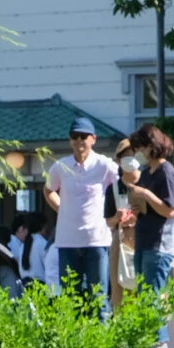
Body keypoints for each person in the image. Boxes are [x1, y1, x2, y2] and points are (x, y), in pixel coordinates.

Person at [43, 118, 119, 319]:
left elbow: (123, 183)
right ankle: (74, 339)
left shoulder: (103, 164)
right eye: (74, 136)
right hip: (68, 241)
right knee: (70, 300)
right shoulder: (61, 166)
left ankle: (101, 338)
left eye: (83, 136)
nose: (79, 141)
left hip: (96, 240)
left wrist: (119, 213)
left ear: (93, 139)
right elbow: (48, 189)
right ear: (70, 140)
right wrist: (62, 208)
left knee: (99, 299)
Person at [121, 123, 174, 348]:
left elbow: (169, 210)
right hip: (143, 240)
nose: (140, 152)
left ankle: (159, 345)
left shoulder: (166, 171)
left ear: (153, 145)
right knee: (144, 294)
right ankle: (153, 345)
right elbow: (146, 207)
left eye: (142, 147)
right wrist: (135, 208)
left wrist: (145, 194)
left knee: (152, 294)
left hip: (160, 243)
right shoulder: (146, 173)